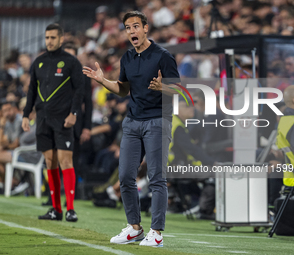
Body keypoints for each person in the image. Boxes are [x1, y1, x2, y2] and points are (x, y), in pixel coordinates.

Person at [83, 10, 179, 247]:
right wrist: (103, 81)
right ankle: (135, 228)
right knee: (126, 176)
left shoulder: (163, 56)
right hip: (132, 121)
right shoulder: (126, 58)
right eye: (128, 28)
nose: (132, 31)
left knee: (157, 177)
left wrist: (162, 88)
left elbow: (180, 91)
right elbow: (124, 90)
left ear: (146, 28)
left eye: (136, 26)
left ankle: (156, 232)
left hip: (158, 121)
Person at [22, 23, 85, 222]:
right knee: (50, 163)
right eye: (47, 38)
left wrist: (74, 113)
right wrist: (26, 114)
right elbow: (32, 90)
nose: (49, 41)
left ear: (61, 39)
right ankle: (56, 209)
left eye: (53, 38)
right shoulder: (38, 62)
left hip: (63, 119)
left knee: (66, 161)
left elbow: (79, 90)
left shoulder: (71, 62)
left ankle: (71, 209)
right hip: (42, 119)